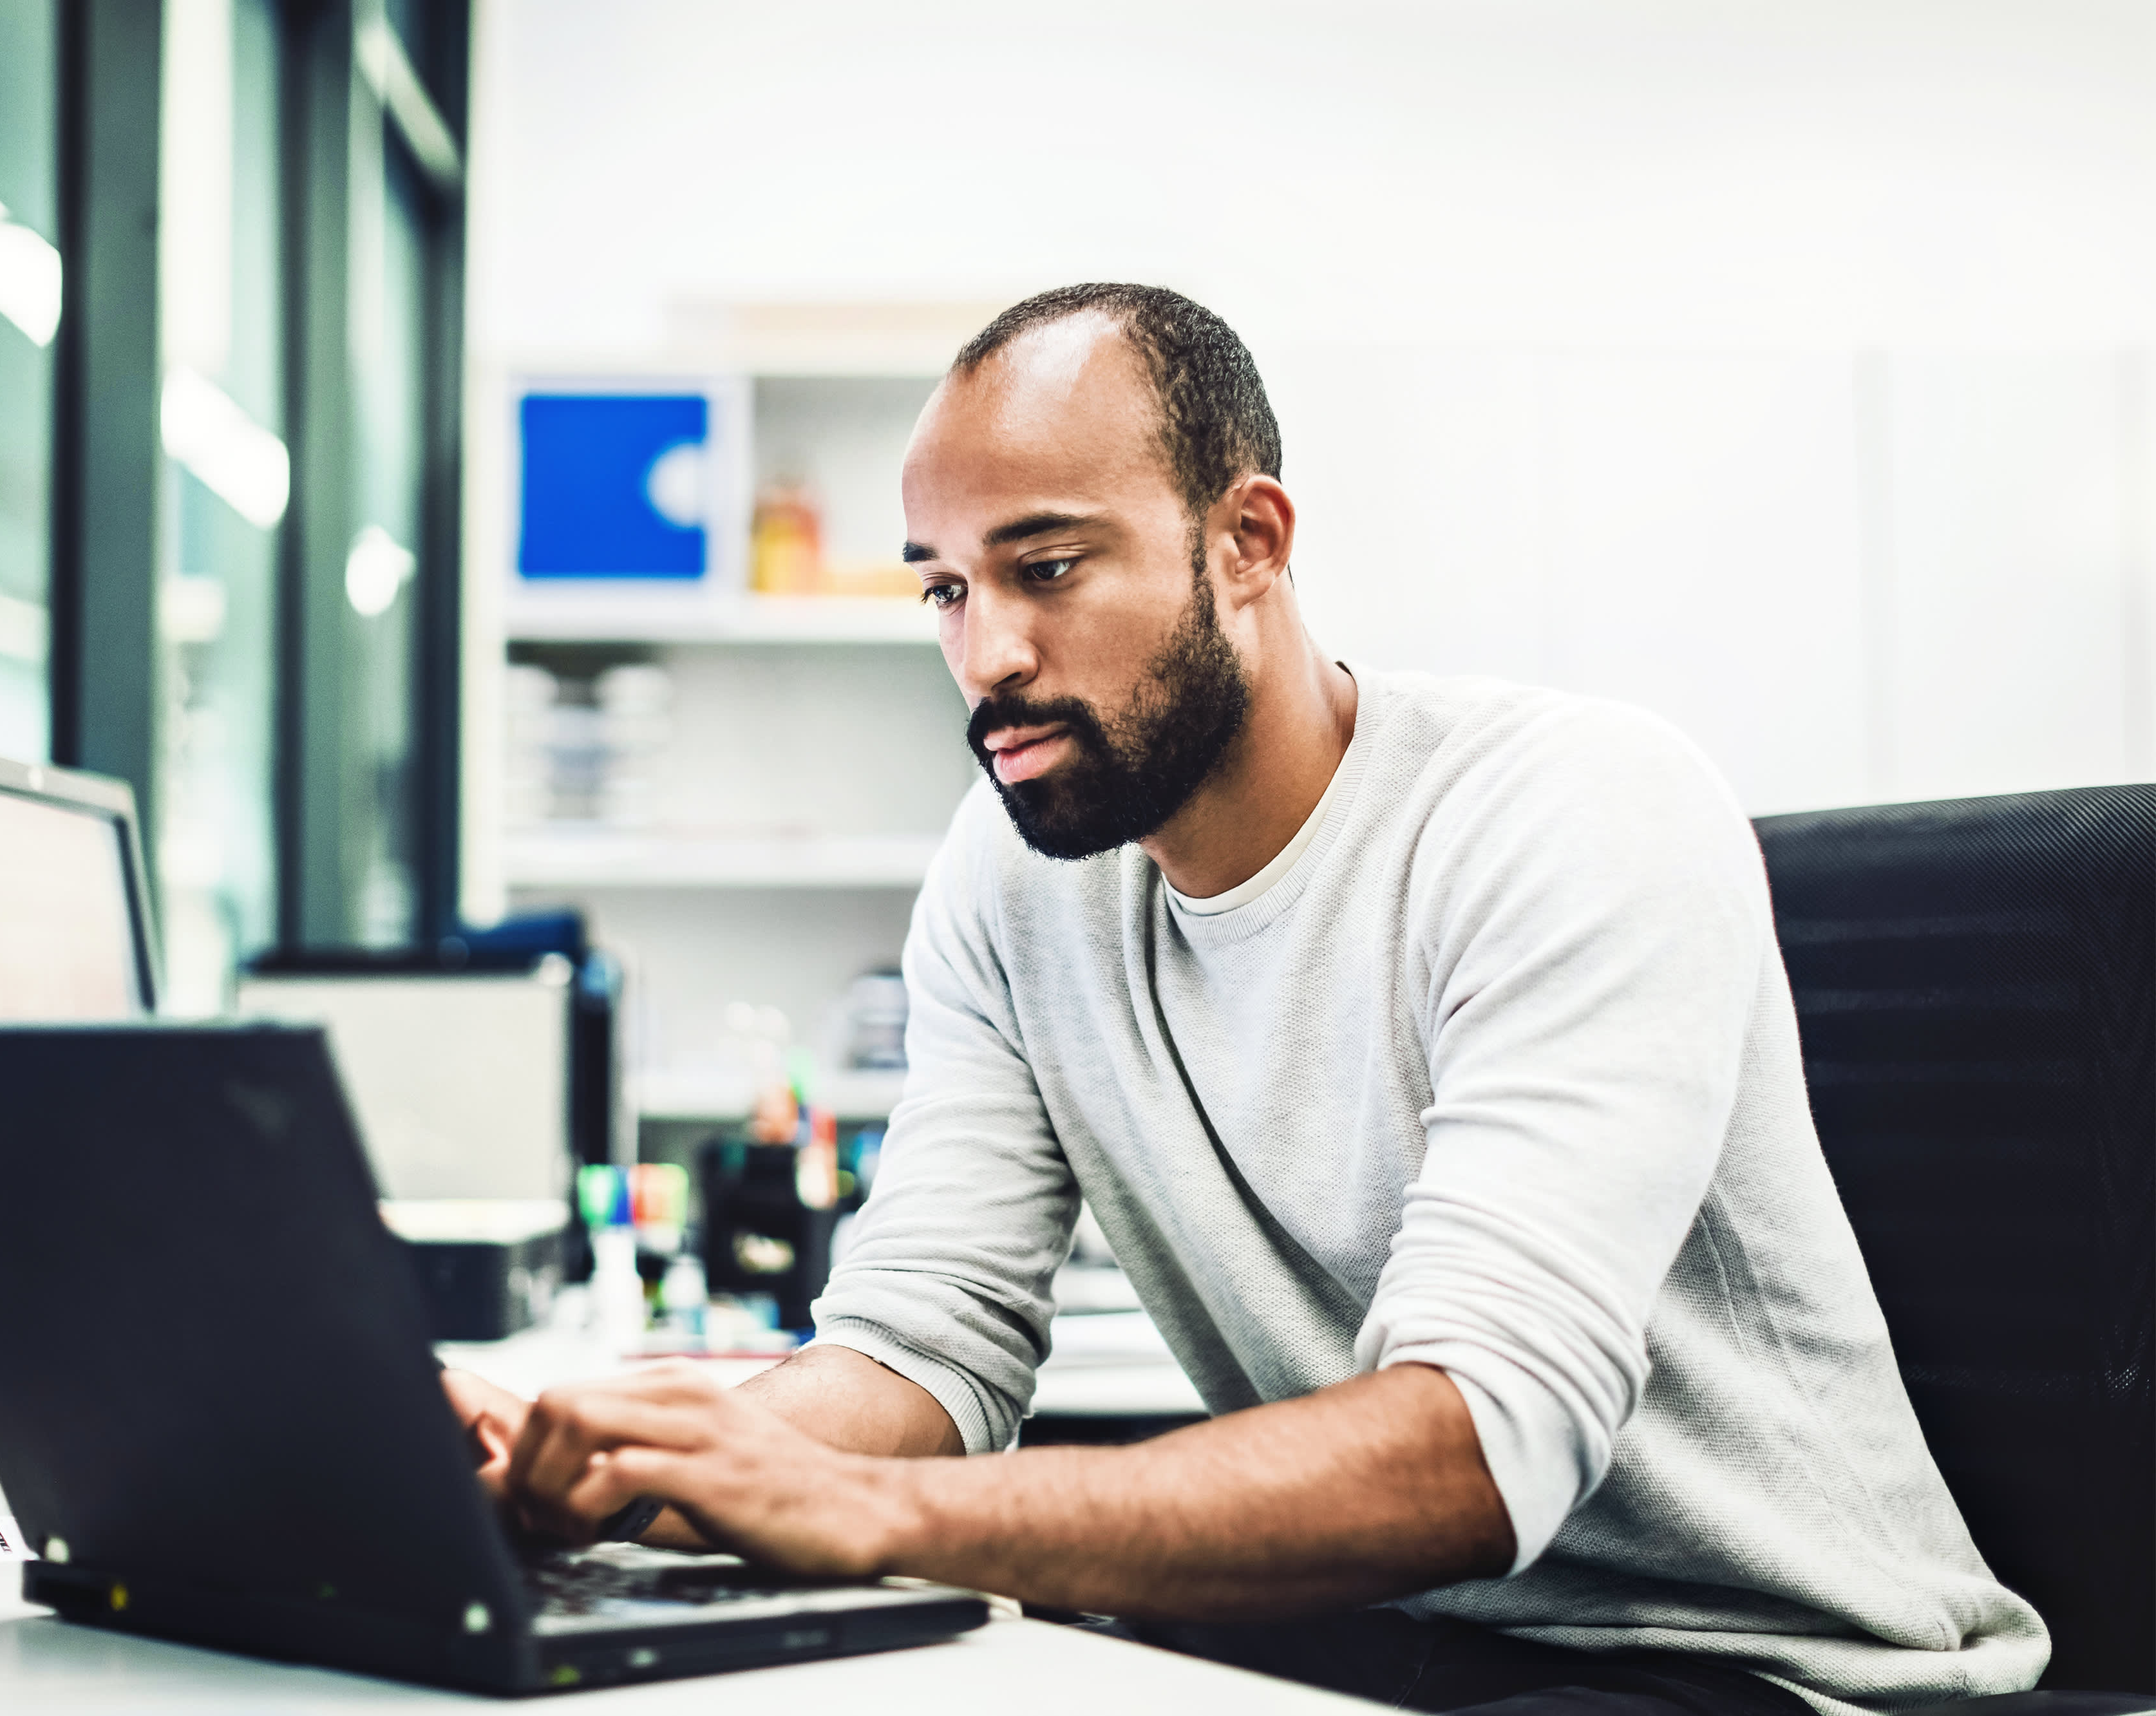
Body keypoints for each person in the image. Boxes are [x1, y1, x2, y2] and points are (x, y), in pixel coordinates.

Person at [444, 284, 2048, 1715]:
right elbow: (921, 1353)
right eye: (940, 589)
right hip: (1394, 1639)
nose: (983, 651)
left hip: (1759, 1666)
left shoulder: (1569, 812)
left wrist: (871, 1514)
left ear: (1248, 544)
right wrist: (603, 1464)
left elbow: (1476, 1444)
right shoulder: (1015, 883)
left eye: (1046, 566)